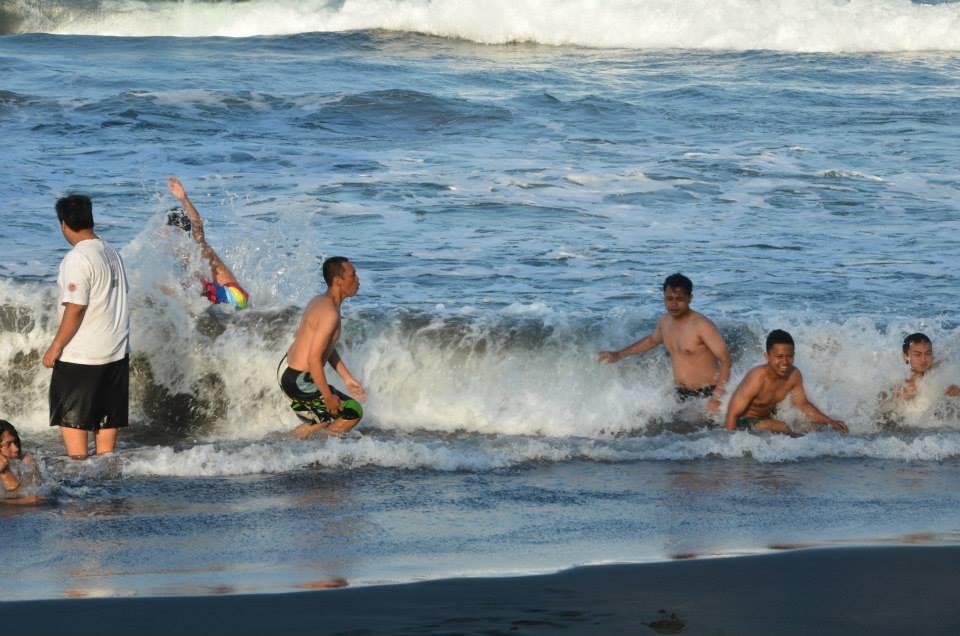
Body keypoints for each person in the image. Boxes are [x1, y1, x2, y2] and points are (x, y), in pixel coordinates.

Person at [43, 194, 130, 459]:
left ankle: (81, 498)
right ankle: (107, 497)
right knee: (106, 453)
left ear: (63, 224)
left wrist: (56, 346)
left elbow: (76, 307)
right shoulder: (111, 252)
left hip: (81, 358)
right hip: (115, 353)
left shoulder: (77, 258)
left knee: (77, 452)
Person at [598, 273, 732, 413]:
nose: (673, 304)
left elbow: (726, 360)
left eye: (679, 299)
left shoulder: (702, 325)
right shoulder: (665, 321)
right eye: (669, 299)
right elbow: (651, 340)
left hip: (706, 394)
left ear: (690, 299)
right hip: (680, 395)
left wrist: (717, 397)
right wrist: (618, 354)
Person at [279, 257, 366, 438]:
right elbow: (313, 359)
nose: (358, 280)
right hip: (300, 380)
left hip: (290, 373)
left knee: (321, 418)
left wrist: (347, 379)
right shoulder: (329, 314)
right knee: (352, 412)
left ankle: (291, 449)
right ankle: (321, 454)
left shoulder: (320, 301)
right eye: (353, 275)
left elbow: (325, 347)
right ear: (338, 281)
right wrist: (328, 397)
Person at [724, 329, 848, 435]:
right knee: (782, 427)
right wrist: (729, 446)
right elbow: (732, 413)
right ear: (767, 357)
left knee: (811, 428)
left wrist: (830, 422)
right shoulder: (756, 378)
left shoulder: (794, 375)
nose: (785, 362)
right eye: (779, 357)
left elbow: (803, 405)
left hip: (768, 417)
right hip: (745, 421)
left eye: (789, 356)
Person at [166, 176, 249, 310]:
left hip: (234, 296)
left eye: (167, 230)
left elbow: (197, 224)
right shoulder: (180, 253)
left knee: (176, 292)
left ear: (178, 230)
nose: (165, 235)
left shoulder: (196, 245)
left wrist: (183, 198)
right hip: (229, 300)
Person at [888, 333, 960, 401]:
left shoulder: (936, 365)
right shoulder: (903, 383)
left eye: (928, 353)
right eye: (917, 354)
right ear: (905, 356)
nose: (924, 359)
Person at [0, 420, 42, 504]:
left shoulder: (26, 461)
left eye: (15, 442)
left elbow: (31, 496)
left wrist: (5, 473)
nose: (16, 449)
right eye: (8, 445)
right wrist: (5, 473)